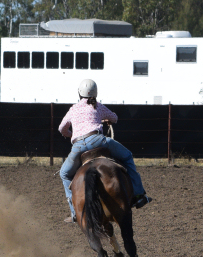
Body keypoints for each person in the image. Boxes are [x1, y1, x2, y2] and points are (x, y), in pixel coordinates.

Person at [57, 78, 151, 223]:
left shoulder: (73, 109)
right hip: (98, 141)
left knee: (64, 173)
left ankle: (75, 212)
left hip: (78, 147)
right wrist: (107, 120)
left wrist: (71, 135)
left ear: (79, 93)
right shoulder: (97, 106)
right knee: (127, 156)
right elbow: (114, 117)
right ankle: (139, 195)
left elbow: (61, 128)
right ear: (95, 93)